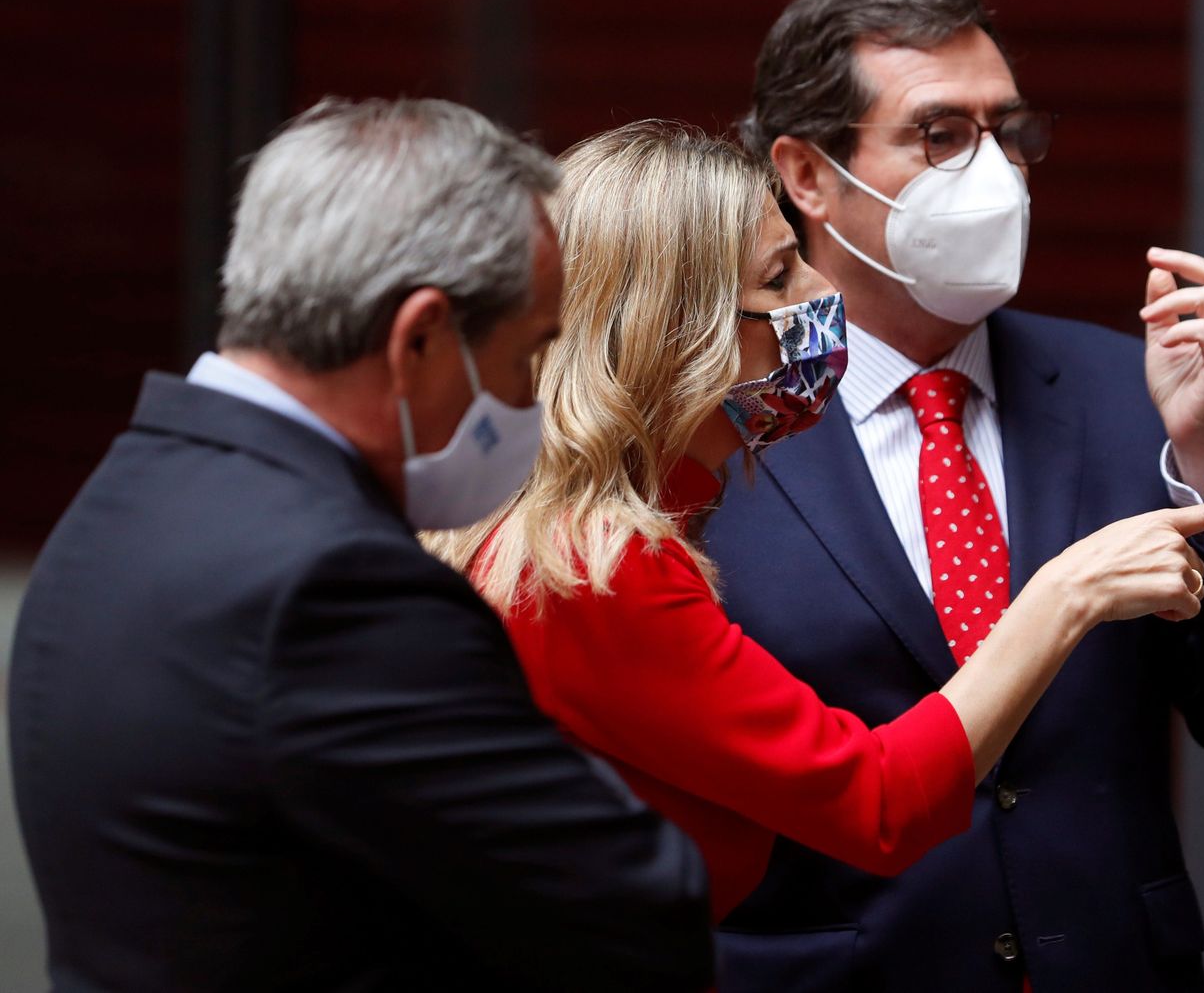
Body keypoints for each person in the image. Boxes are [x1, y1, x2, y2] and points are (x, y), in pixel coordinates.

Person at [428, 120, 1204, 938]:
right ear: (679, 330)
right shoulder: (597, 563)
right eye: (780, 275)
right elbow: (874, 803)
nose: (820, 295)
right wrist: (1067, 591)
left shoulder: (560, 524)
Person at [698, 0, 1204, 991]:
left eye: (1007, 132)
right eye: (940, 134)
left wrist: (1202, 457)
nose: (993, 172)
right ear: (806, 175)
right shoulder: (712, 426)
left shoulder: (1121, 388)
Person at [7, 98, 713, 993]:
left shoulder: (130, 491)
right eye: (527, 356)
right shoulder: (340, 589)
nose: (531, 398)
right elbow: (637, 907)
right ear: (418, 338)